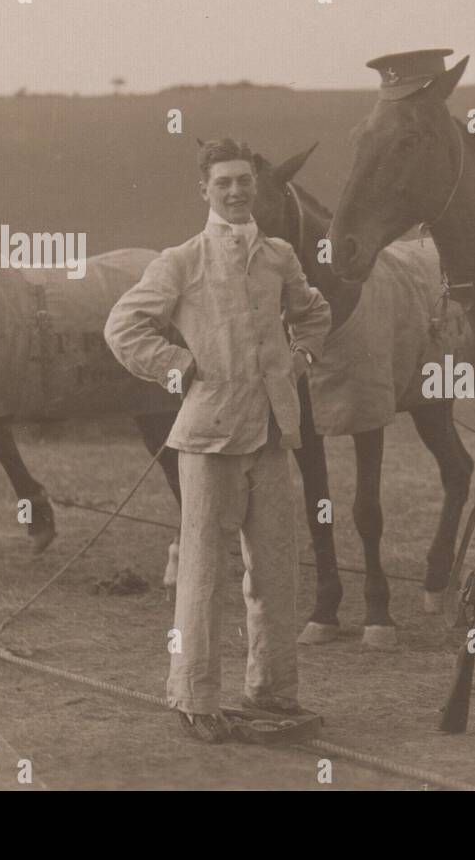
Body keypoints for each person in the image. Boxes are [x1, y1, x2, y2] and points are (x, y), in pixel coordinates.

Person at [105, 137, 330, 742]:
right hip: (208, 437)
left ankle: (274, 692)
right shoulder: (181, 261)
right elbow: (123, 326)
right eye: (223, 182)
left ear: (257, 188)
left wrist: (300, 356)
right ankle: (195, 696)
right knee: (203, 574)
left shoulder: (279, 255)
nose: (235, 191)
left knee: (276, 571)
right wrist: (178, 366)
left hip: (274, 435)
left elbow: (313, 311)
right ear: (204, 190)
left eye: (244, 181)